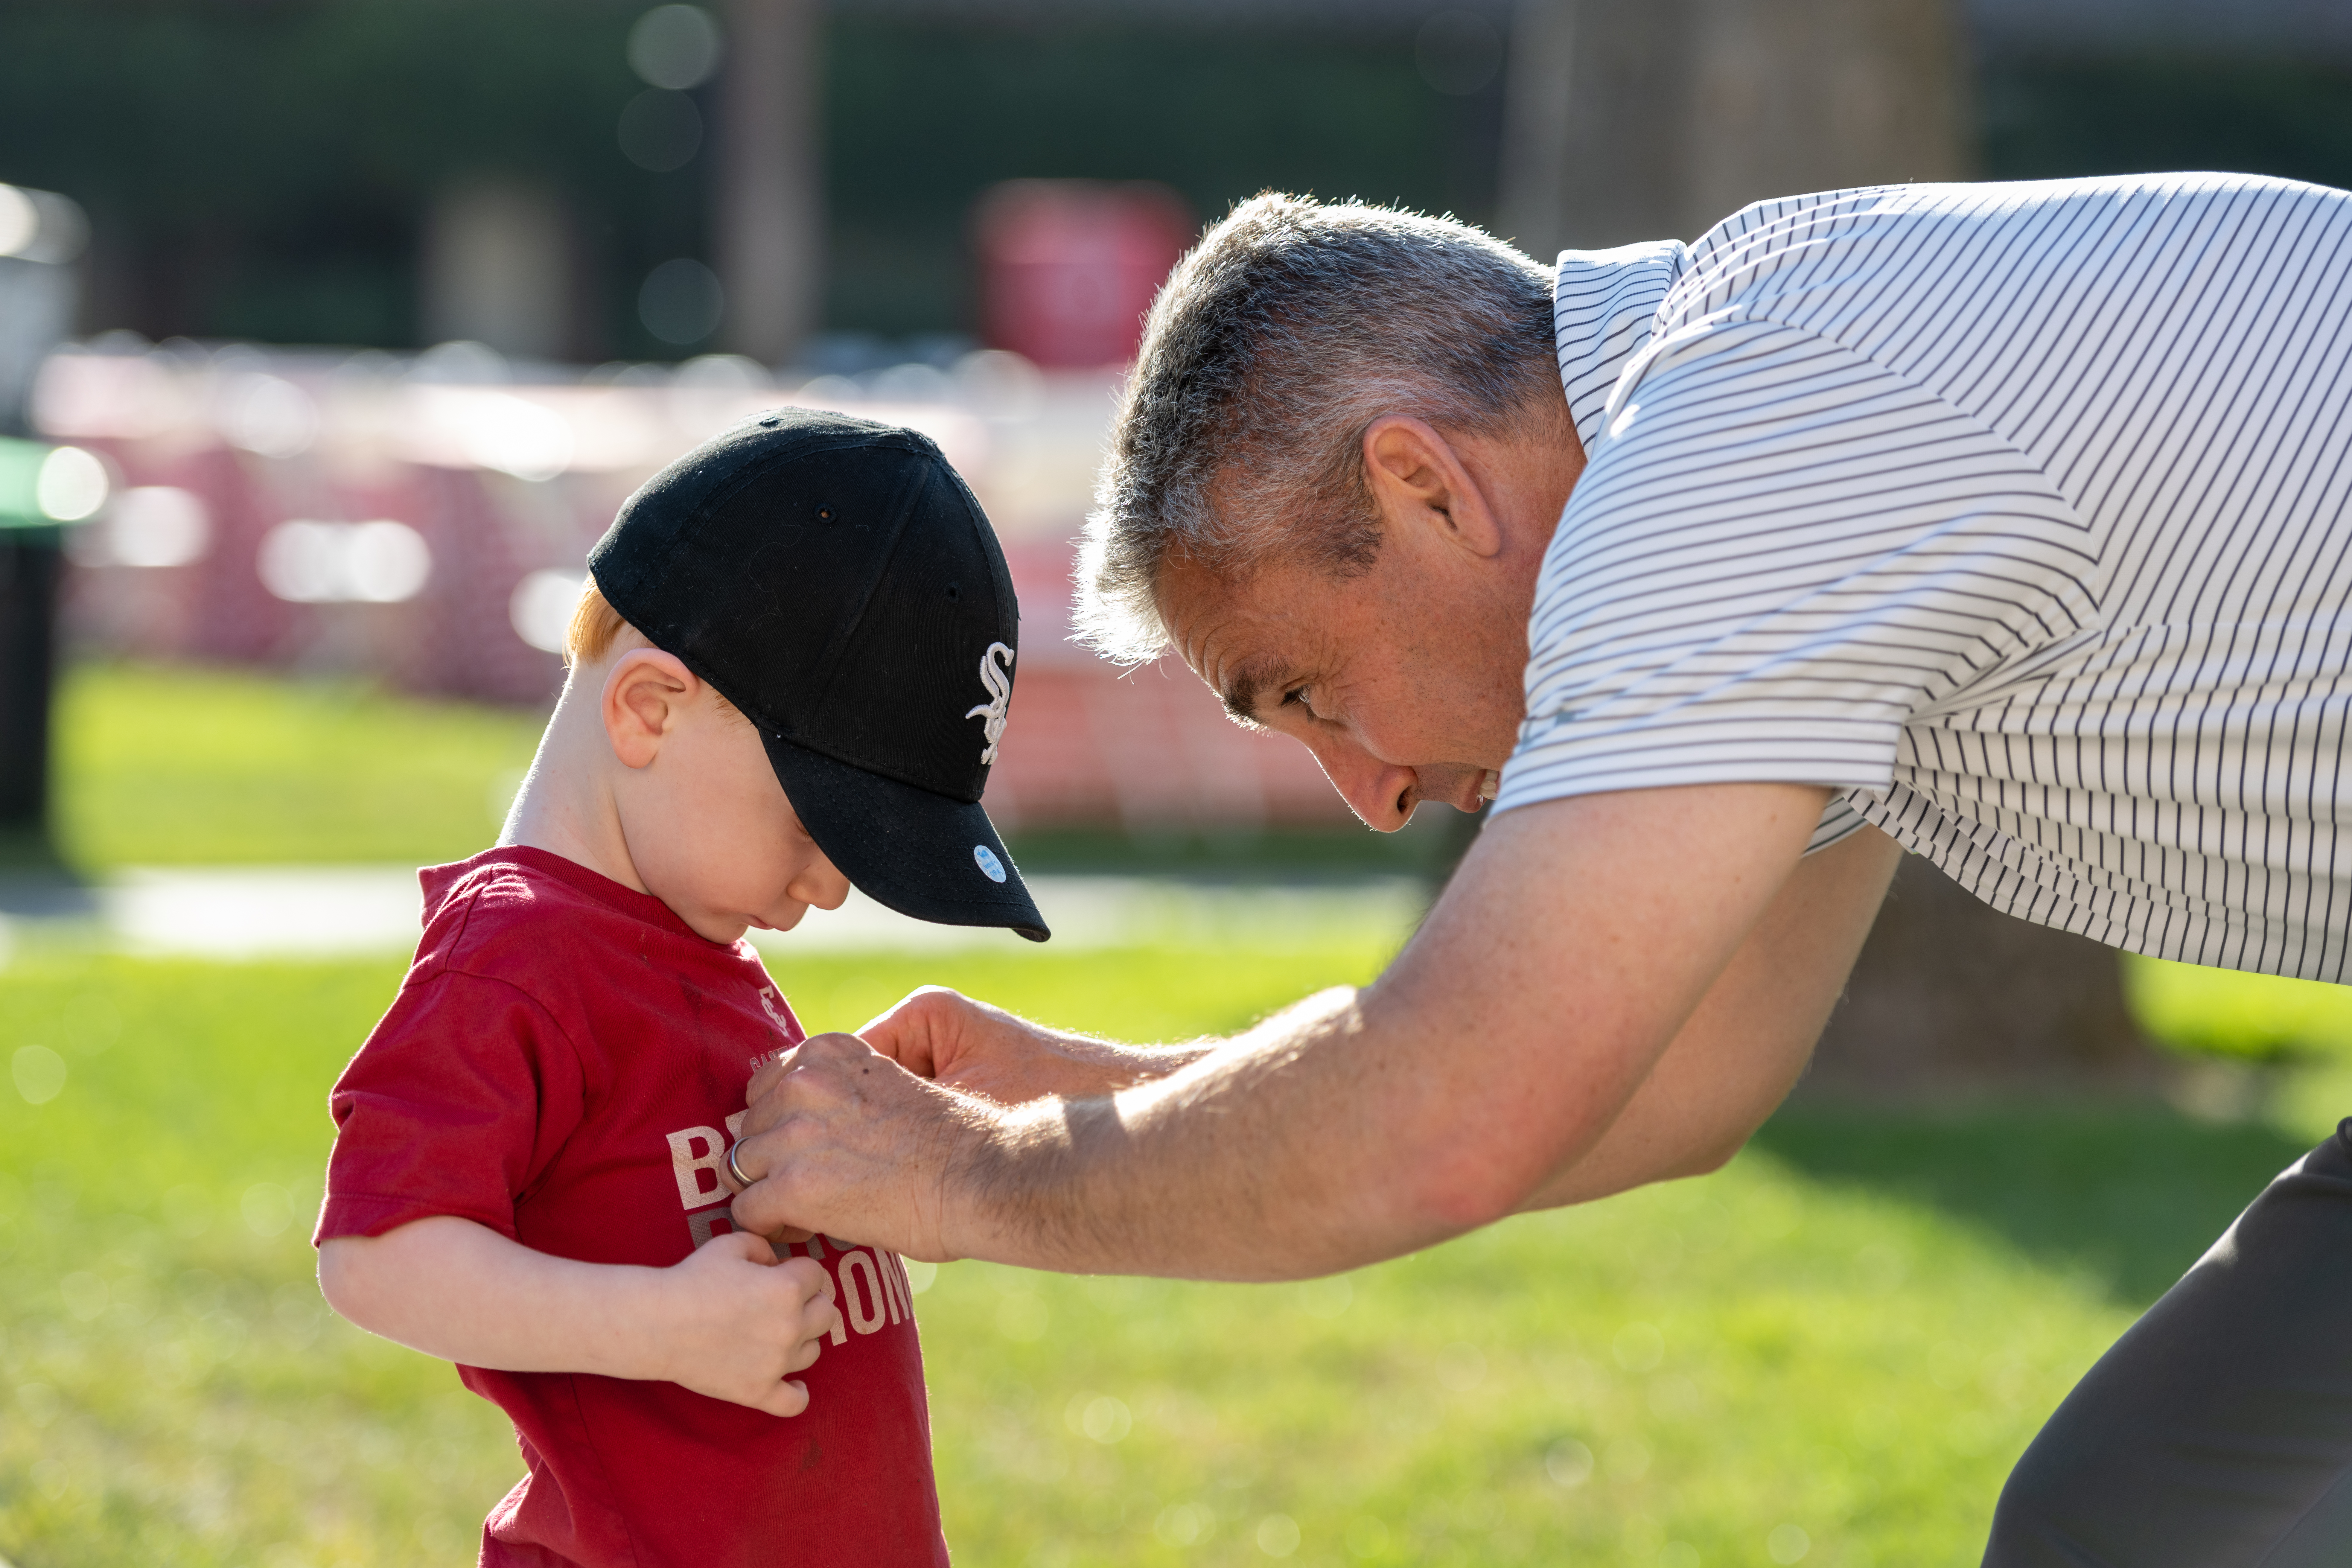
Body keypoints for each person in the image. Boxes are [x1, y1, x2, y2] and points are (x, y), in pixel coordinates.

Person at [727, 177, 2352, 1565]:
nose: (1367, 795)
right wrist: (1092, 1094)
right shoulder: (1771, 426)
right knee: (2142, 1524)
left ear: (1424, 485)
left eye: (1302, 689)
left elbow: (1452, 1110)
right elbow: (1672, 1073)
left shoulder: (1732, 456)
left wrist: (965, 1178)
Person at [313, 409, 1051, 1568]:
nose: (834, 887)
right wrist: (657, 1328)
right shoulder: (517, 953)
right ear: (648, 709)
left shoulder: (698, 946)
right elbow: (375, 1252)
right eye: (822, 827)